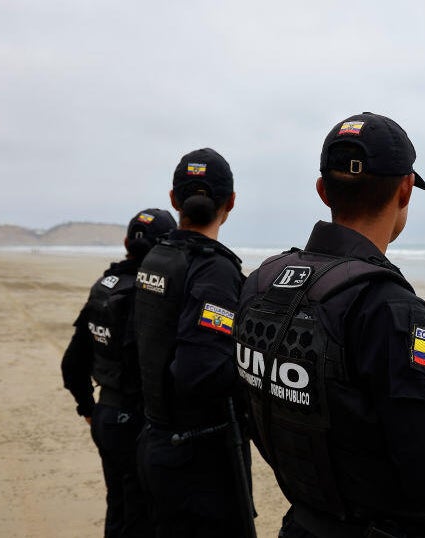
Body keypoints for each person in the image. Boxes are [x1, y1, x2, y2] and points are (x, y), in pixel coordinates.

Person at [235, 112, 425, 538]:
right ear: (406, 189)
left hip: (302, 524)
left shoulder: (261, 284)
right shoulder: (390, 310)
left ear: (323, 190)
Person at [132, 148, 254, 536]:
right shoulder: (213, 269)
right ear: (230, 202)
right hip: (199, 457)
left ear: (174, 199)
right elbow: (201, 371)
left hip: (156, 439)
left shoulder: (157, 256)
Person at [60, 207, 176, 537]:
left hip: (107, 416)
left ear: (127, 243)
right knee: (142, 515)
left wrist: (89, 408)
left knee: (119, 507)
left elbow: (72, 363)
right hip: (138, 422)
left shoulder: (104, 286)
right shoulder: (151, 295)